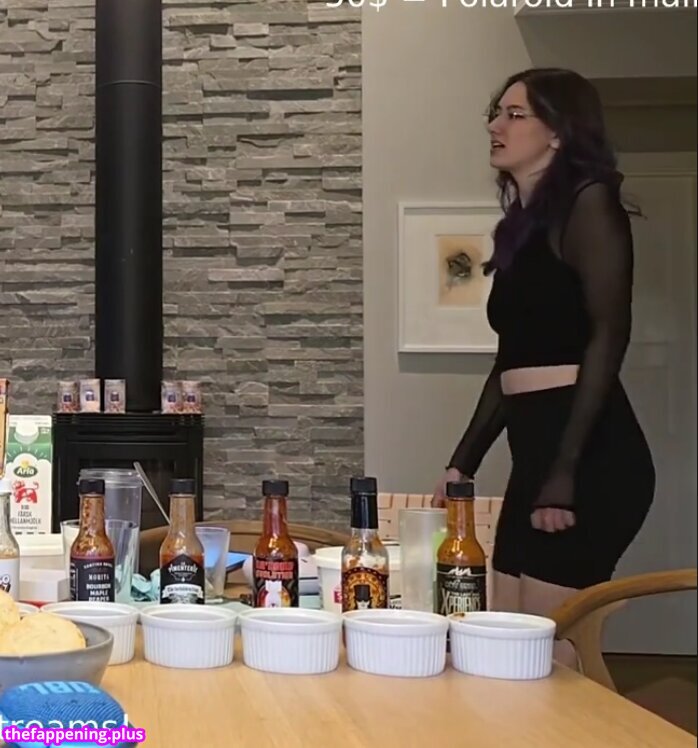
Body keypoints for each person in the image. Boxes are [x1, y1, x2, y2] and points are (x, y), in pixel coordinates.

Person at [432, 68, 655, 667]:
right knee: (504, 640)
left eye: (514, 114)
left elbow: (610, 335)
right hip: (535, 458)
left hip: (589, 460)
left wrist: (565, 473)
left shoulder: (590, 201)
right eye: (495, 112)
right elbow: (511, 362)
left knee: (549, 655)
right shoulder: (522, 230)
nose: (495, 125)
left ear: (558, 131)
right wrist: (463, 460)